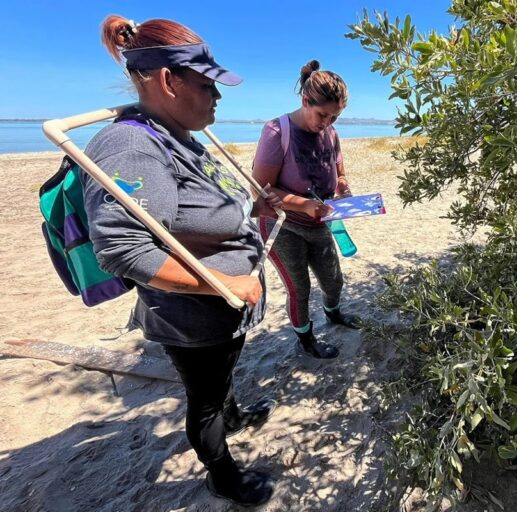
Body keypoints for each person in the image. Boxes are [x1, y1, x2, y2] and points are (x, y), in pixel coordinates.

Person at [82, 15, 280, 506]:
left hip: (224, 307)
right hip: (192, 315)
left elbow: (195, 207)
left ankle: (233, 414)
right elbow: (122, 249)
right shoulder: (130, 146)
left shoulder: (177, 132)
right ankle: (222, 474)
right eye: (208, 83)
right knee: (205, 397)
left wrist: (249, 207)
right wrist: (223, 284)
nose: (217, 96)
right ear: (169, 81)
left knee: (222, 375)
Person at [252, 60, 361, 360]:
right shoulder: (277, 131)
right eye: (322, 114)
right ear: (304, 101)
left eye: (334, 117)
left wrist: (344, 190)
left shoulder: (332, 133)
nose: (326, 123)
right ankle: (306, 339)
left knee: (333, 279)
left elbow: (339, 174)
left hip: (320, 222)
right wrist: (303, 204)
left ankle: (334, 314)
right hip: (282, 225)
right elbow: (260, 191)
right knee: (299, 288)